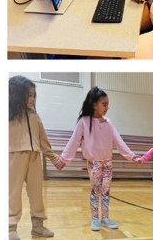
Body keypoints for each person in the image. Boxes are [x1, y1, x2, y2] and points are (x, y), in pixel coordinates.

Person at [55, 86, 141, 231]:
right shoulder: (84, 121)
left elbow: (118, 141)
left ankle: (105, 218)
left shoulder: (108, 122)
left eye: (108, 104)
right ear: (94, 104)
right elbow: (74, 141)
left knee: (106, 191)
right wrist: (63, 159)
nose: (107, 107)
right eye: (104, 104)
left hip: (108, 163)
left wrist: (132, 156)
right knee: (95, 190)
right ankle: (95, 219)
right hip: (94, 163)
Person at [9, 75, 59, 240]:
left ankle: (38, 225)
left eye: (33, 95)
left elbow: (44, 142)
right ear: (17, 94)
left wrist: (55, 159)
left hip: (34, 157)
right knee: (12, 194)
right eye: (28, 95)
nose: (32, 98)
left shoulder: (35, 116)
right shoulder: (8, 116)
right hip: (14, 157)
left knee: (37, 193)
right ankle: (10, 227)